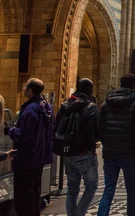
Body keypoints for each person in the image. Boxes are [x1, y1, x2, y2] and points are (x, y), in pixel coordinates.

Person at [98, 73, 135, 216]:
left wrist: (107, 144)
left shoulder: (106, 103)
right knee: (131, 189)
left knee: (108, 189)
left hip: (110, 153)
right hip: (129, 154)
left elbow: (100, 129)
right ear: (134, 85)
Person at [6, 78, 54, 216]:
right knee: (34, 195)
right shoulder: (47, 106)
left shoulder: (30, 110)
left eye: (25, 86)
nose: (23, 89)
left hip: (26, 159)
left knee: (23, 199)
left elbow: (24, 135)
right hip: (40, 158)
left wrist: (10, 130)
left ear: (30, 90)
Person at [56, 78, 100, 216]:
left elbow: (56, 126)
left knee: (72, 189)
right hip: (84, 152)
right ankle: (79, 214)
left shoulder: (65, 105)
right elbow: (95, 132)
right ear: (89, 90)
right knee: (91, 186)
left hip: (68, 152)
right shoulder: (91, 107)